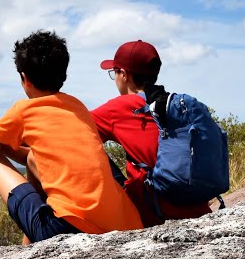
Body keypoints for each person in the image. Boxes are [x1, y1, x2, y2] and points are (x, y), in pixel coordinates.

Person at [0, 30, 144, 251]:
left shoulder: (24, 110)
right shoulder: (78, 107)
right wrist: (4, 144)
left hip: (63, 228)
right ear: (63, 74)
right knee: (32, 158)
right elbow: (35, 155)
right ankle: (28, 249)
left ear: (24, 79)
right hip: (122, 225)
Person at [91, 39, 214, 227]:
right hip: (198, 208)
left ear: (123, 75)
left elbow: (73, 132)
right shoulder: (176, 105)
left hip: (153, 213)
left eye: (114, 72)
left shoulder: (118, 108)